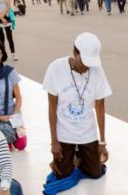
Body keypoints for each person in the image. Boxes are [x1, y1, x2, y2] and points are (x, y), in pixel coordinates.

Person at [42, 33, 112, 182]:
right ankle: (72, 156)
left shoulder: (97, 70)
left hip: (87, 131)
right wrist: (54, 141)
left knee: (95, 172)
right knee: (62, 174)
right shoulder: (56, 68)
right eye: (85, 61)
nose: (87, 66)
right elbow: (52, 107)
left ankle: (80, 156)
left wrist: (102, 142)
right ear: (75, 52)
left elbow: (100, 107)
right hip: (64, 131)